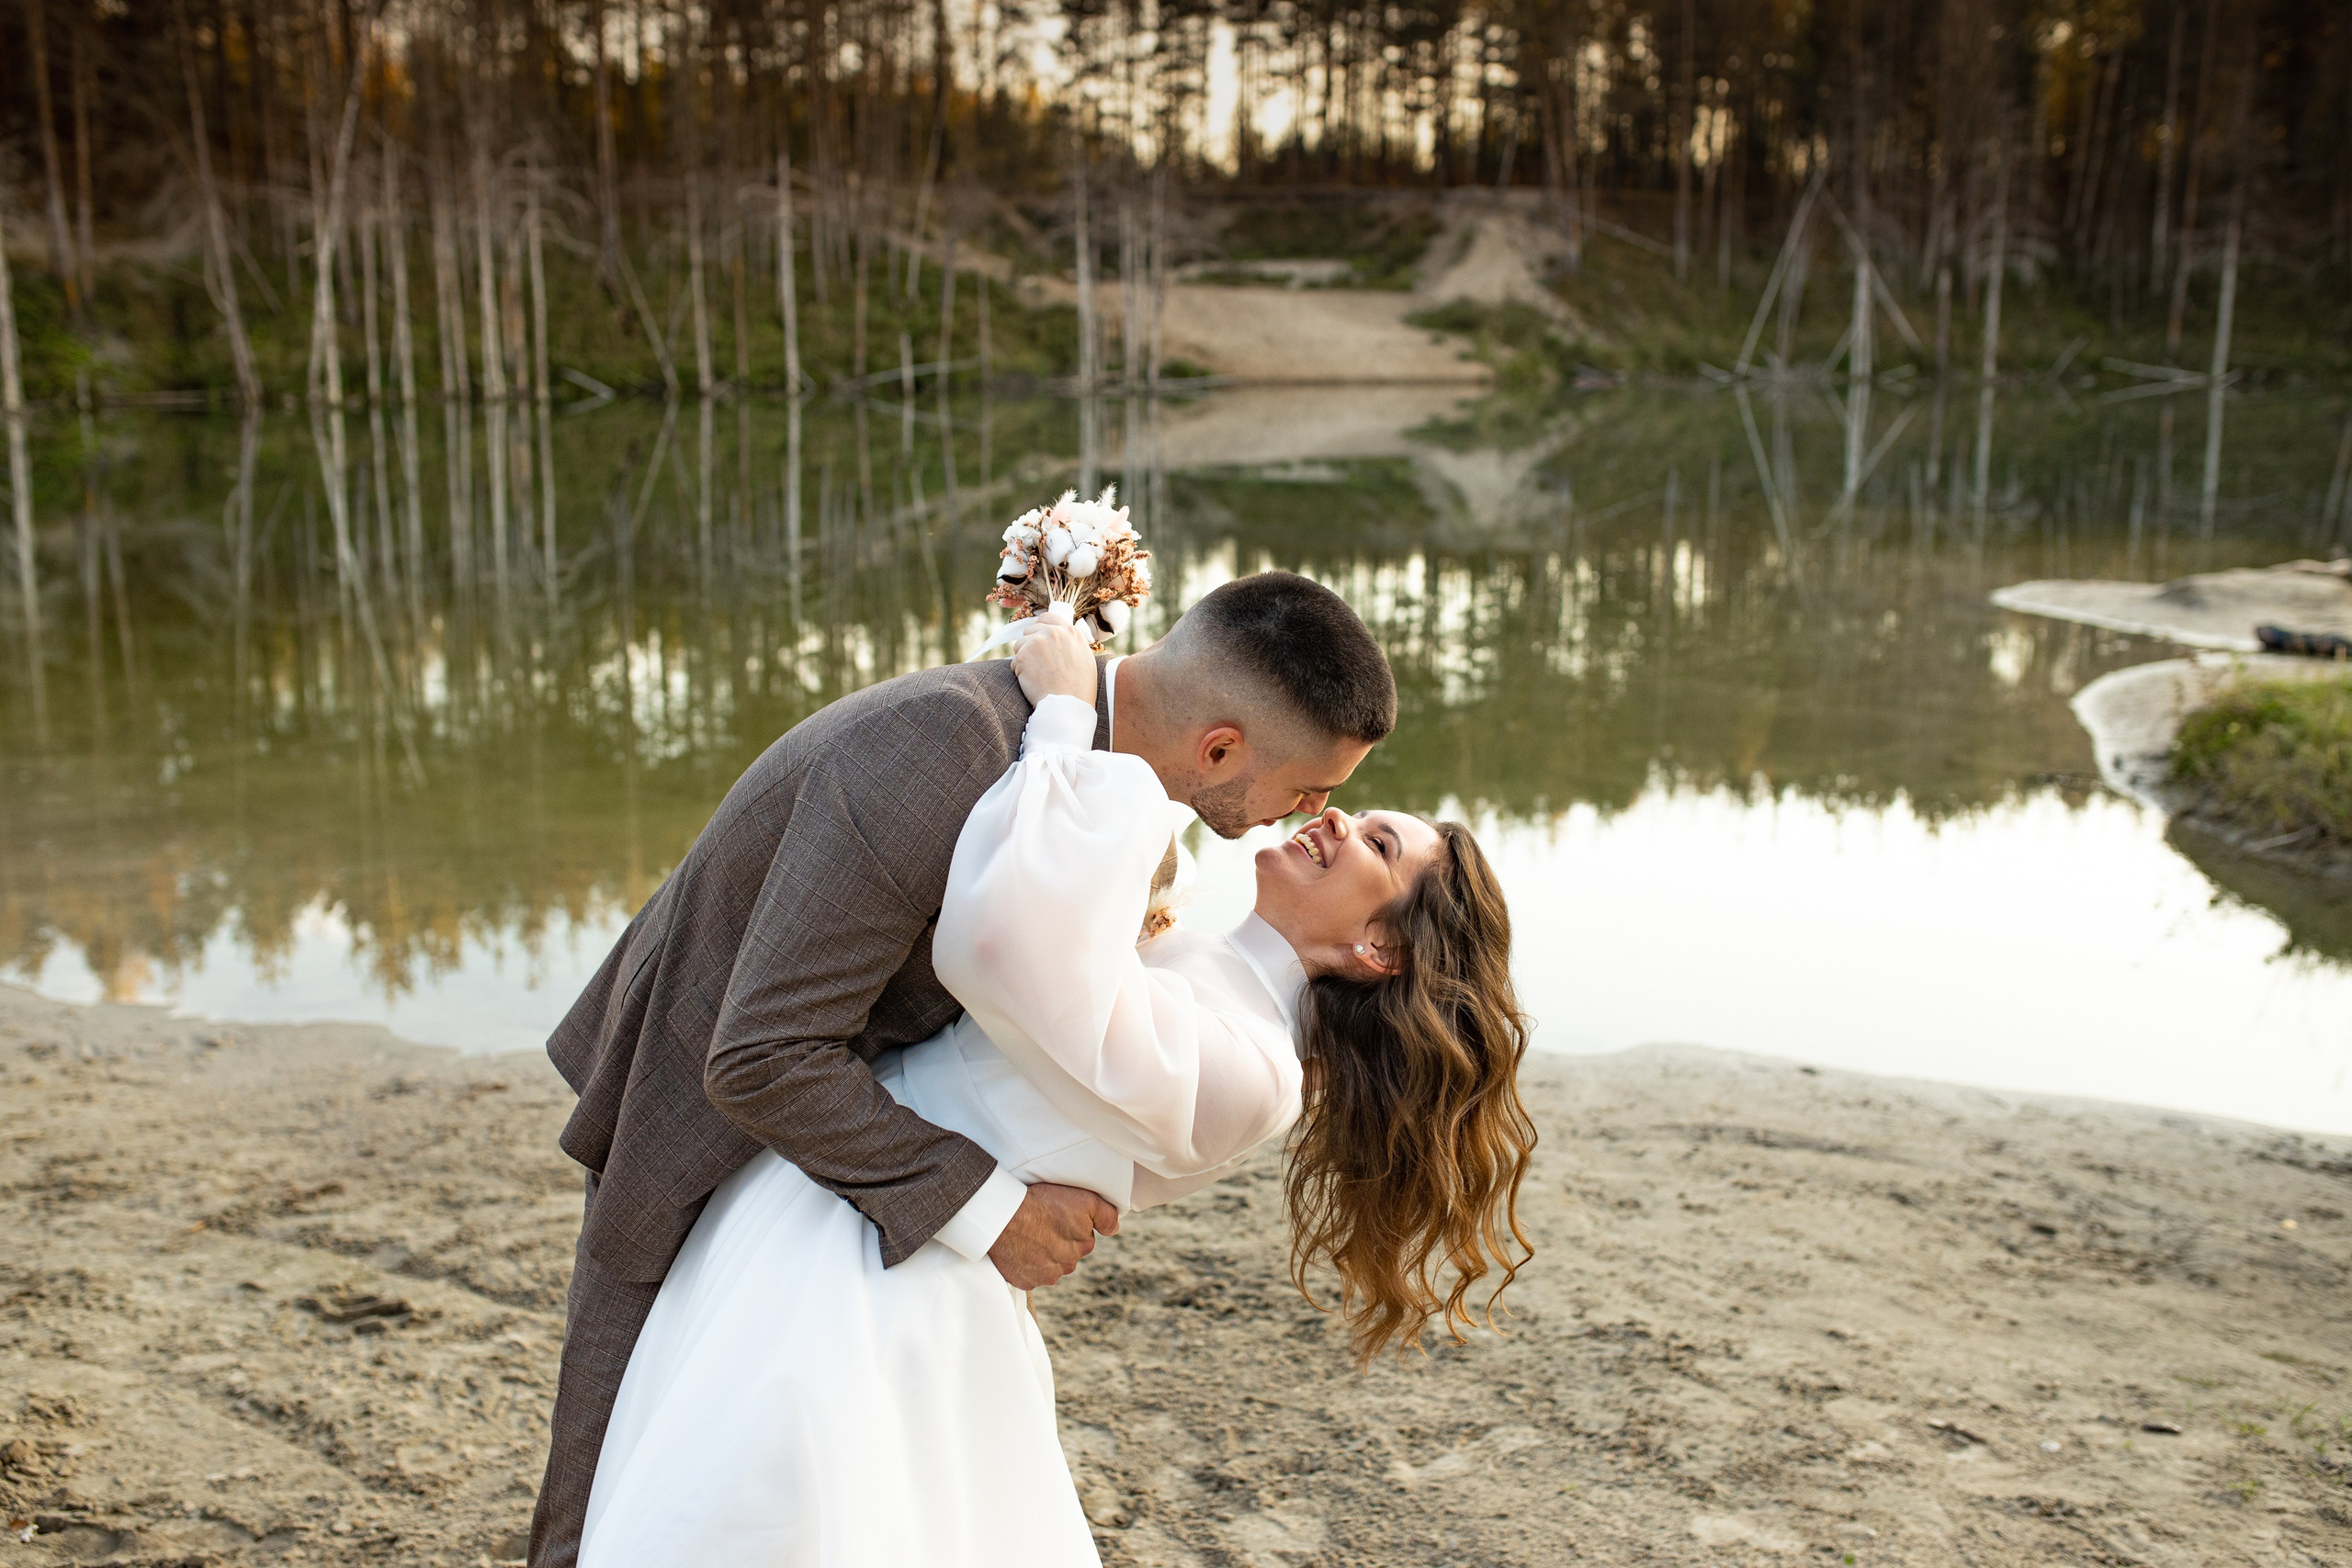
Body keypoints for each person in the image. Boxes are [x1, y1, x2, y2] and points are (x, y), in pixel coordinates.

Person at [571, 611, 1535, 1567]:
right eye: (1326, 795)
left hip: (878, 1256)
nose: (1319, 815)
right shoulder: (1156, 906)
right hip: (829, 1192)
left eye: (1369, 837)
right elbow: (1016, 953)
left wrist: (1069, 724)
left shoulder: (1259, 1073)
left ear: (1379, 948)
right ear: (1221, 745)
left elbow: (1015, 952)